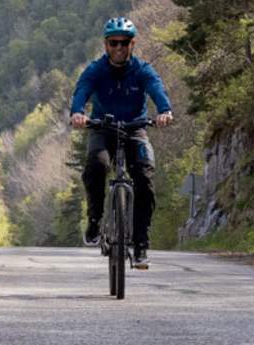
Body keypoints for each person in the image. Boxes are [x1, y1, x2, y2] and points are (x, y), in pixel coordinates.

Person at [68, 17, 173, 270]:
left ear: (132, 44)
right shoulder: (96, 70)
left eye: (124, 43)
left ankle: (140, 245)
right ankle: (94, 219)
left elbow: (156, 89)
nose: (118, 48)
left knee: (145, 179)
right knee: (96, 164)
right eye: (113, 43)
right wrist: (77, 113)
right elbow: (81, 90)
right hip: (102, 128)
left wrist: (164, 111)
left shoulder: (142, 70)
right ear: (106, 44)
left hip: (135, 128)